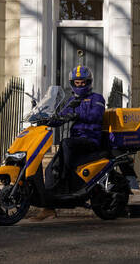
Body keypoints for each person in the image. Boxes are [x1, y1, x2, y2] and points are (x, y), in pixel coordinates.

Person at [31, 66, 106, 221]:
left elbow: (96, 116)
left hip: (90, 140)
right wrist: (48, 119)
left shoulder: (97, 98)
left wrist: (76, 114)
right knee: (51, 168)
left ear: (89, 82)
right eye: (77, 83)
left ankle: (64, 180)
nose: (79, 85)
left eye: (82, 82)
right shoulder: (72, 100)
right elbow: (62, 116)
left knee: (65, 143)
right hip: (75, 142)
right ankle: (48, 208)